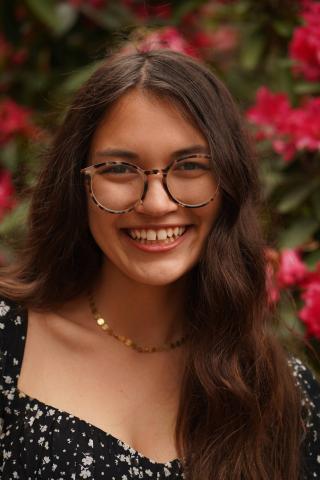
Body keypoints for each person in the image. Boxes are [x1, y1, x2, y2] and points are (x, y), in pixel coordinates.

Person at [0, 49, 319, 480]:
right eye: (119, 168)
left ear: (229, 181)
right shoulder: (8, 340)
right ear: (77, 182)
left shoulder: (285, 394)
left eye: (190, 166)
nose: (156, 203)